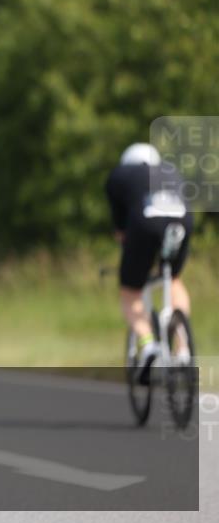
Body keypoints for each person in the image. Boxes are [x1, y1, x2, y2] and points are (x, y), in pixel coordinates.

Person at [105, 142, 194, 381]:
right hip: (182, 220)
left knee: (130, 292)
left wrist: (132, 259)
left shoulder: (119, 175)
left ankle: (148, 345)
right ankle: (183, 348)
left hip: (146, 222)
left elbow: (122, 232)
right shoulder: (170, 170)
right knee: (173, 279)